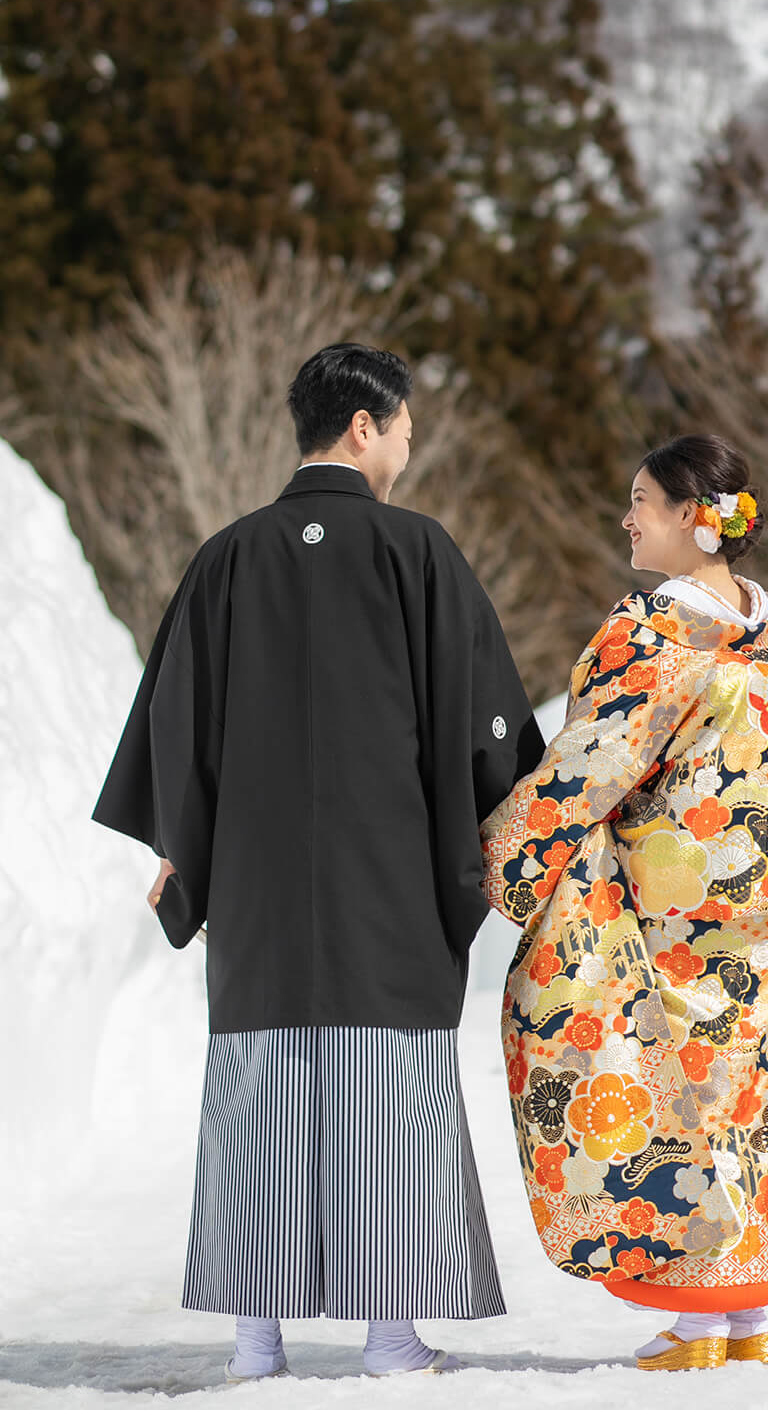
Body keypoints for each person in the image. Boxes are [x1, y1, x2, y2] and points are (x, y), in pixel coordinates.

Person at [93, 342, 544, 1382]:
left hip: (256, 898)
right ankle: (391, 1340)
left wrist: (187, 857)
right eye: (405, 429)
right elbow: (487, 733)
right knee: (386, 1095)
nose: (408, 447)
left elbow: (176, 726)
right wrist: (507, 833)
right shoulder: (417, 552)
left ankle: (257, 1344)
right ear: (363, 427)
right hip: (388, 891)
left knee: (261, 1098)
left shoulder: (227, 558)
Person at [480, 433, 768, 1373]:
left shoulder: (652, 636)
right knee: (752, 1105)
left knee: (681, 1106)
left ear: (697, 519)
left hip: (670, 917)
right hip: (763, 915)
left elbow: (587, 764)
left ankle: (696, 1324)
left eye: (643, 501)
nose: (627, 519)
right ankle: (745, 1323)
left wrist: (503, 857)